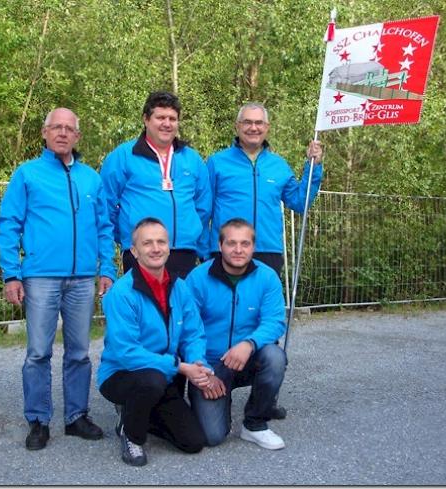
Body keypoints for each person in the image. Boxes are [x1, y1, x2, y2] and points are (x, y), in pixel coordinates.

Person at [0, 108, 117, 451]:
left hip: (82, 279)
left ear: (78, 137)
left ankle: (76, 416)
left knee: (79, 352)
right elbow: (9, 226)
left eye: (69, 129)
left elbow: (105, 228)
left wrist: (106, 269)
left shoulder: (91, 179)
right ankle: (38, 420)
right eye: (56, 128)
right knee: (38, 352)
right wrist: (11, 274)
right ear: (45, 133)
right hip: (41, 278)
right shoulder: (27, 175)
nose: (63, 133)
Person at [205, 102, 323, 419]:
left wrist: (314, 168)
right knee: (222, 320)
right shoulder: (216, 163)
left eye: (259, 123)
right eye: (247, 122)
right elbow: (203, 209)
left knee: (267, 329)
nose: (253, 127)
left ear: (267, 128)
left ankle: (263, 401)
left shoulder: (280, 167)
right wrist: (206, 250)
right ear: (237, 126)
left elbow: (300, 202)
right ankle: (218, 383)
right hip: (224, 253)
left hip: (267, 252)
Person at [97, 217, 213, 466]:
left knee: (193, 442)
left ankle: (139, 413)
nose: (155, 248)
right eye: (147, 243)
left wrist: (198, 364)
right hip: (123, 375)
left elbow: (193, 333)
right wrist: (181, 367)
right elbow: (127, 352)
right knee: (152, 379)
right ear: (134, 251)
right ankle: (131, 434)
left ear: (169, 247)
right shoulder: (121, 293)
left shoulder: (180, 287)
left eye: (161, 241)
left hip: (164, 375)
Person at [184, 218, 287, 450]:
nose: (238, 250)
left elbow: (275, 321)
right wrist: (202, 371)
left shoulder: (267, 277)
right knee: (212, 437)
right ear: (220, 246)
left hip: (246, 359)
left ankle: (255, 424)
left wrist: (249, 344)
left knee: (275, 357)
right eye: (231, 243)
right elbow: (189, 329)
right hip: (210, 364)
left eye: (245, 243)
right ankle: (215, 400)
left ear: (253, 247)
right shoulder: (197, 279)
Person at [100, 91, 211, 278]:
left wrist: (191, 233)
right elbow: (105, 206)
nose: (167, 124)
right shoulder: (123, 156)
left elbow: (203, 206)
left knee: (182, 307)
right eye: (160, 117)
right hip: (142, 253)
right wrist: (129, 235)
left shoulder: (192, 159)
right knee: (145, 307)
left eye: (172, 119)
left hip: (184, 253)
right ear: (146, 119)